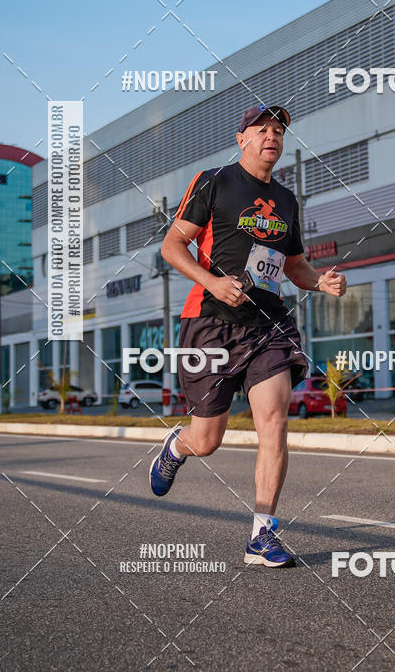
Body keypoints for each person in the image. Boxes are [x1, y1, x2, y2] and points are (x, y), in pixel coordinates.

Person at [149, 104, 347, 567]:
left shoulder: (287, 201)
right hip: (210, 322)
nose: (271, 136)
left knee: (274, 418)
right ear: (242, 139)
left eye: (278, 130)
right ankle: (177, 447)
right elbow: (171, 245)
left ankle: (262, 534)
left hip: (268, 325)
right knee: (208, 440)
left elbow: (295, 267)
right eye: (261, 129)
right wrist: (213, 281)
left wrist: (322, 281)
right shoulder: (213, 181)